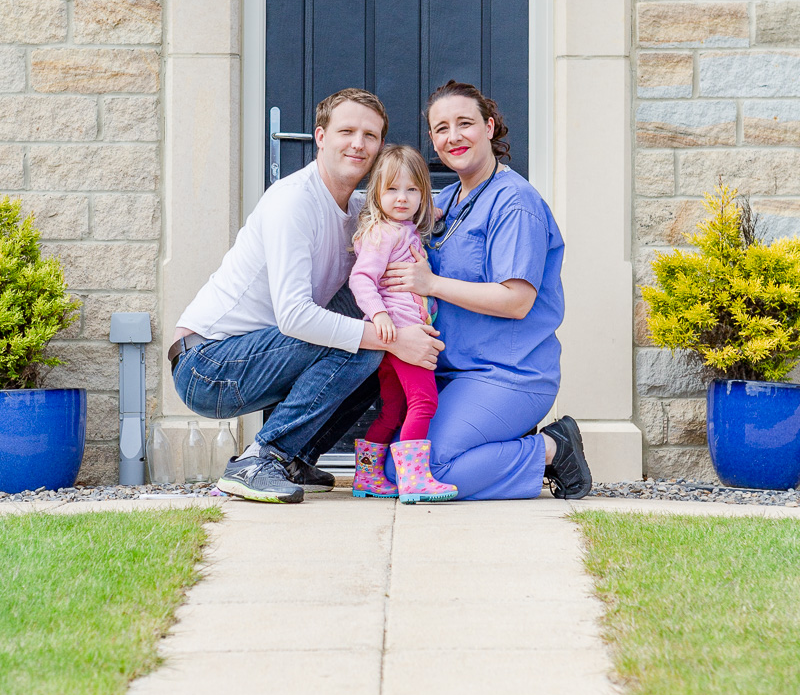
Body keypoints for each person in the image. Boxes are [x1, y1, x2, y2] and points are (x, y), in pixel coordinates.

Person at [170, 88, 443, 504]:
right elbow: (295, 317)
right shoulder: (293, 201)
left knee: (379, 350)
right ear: (320, 136)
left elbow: (431, 206)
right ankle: (260, 459)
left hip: (264, 351)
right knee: (369, 343)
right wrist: (397, 340)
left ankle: (295, 458)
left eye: (370, 135)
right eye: (346, 131)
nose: (358, 143)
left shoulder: (361, 210)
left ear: (380, 147)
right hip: (208, 363)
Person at [382, 80, 592, 502]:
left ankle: (553, 449)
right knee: (395, 465)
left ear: (490, 127)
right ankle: (497, 442)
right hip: (453, 374)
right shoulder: (443, 200)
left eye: (465, 123)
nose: (453, 136)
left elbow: (517, 301)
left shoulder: (515, 203)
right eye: (441, 128)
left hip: (509, 375)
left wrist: (431, 283)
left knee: (429, 470)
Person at [348, 144, 457, 504]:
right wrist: (378, 314)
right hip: (402, 335)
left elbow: (423, 213)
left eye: (412, 190)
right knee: (424, 402)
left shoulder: (400, 227)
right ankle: (414, 481)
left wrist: (435, 210)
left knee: (393, 409)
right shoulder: (386, 233)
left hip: (393, 339)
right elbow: (361, 279)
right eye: (392, 189)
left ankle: (367, 475)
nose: (402, 198)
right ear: (376, 193)